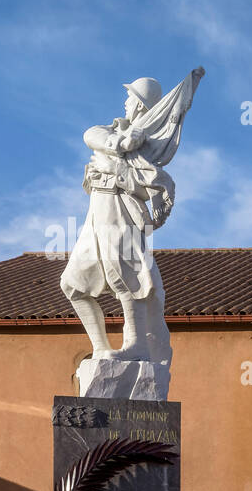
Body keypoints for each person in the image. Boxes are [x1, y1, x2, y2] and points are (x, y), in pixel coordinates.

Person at [60, 68, 204, 365]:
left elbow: (150, 180)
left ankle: (136, 344)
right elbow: (91, 134)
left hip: (119, 208)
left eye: (129, 97)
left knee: (125, 272)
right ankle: (100, 348)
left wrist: (122, 163)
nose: (125, 102)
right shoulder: (114, 131)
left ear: (139, 104)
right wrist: (119, 144)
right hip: (97, 210)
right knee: (72, 284)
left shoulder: (147, 146)